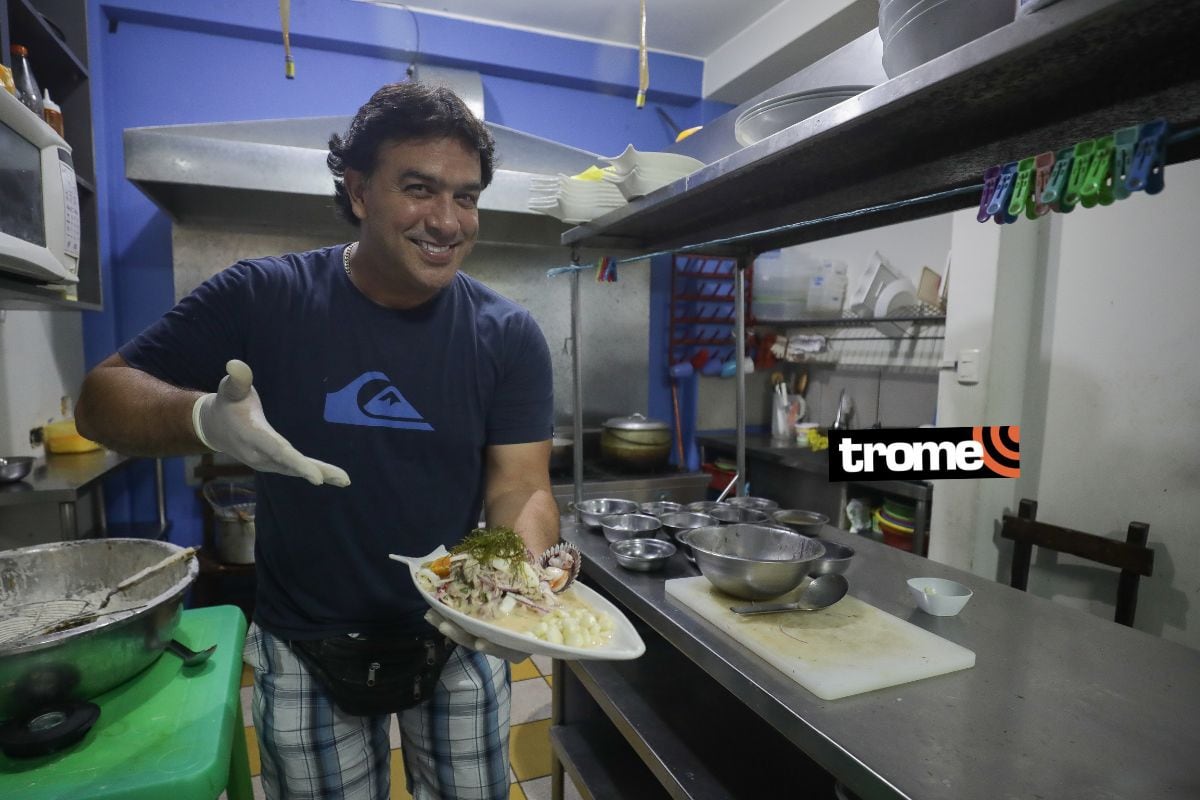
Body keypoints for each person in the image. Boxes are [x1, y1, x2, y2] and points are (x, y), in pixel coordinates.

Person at [75, 81, 560, 800]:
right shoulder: (265, 296)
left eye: (466, 197)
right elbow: (99, 400)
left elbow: (521, 487)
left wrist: (517, 586)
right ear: (359, 190)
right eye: (419, 188)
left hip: (459, 632)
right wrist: (205, 419)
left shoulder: (508, 335)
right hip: (304, 642)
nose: (447, 220)